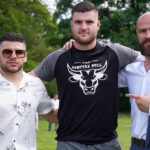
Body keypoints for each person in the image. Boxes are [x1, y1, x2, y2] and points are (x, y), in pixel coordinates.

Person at [30, 2, 139, 150]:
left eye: (89, 22)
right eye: (78, 22)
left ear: (98, 24)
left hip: (108, 143)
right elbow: (26, 82)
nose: (83, 27)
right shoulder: (58, 57)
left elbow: (146, 61)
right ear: (71, 25)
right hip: (68, 143)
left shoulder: (116, 52)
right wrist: (45, 109)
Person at [0, 32, 57, 150]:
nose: (13, 56)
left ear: (25, 56)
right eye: (7, 52)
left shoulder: (36, 85)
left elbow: (51, 115)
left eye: (19, 52)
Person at [118, 12, 150, 150]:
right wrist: (79, 48)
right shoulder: (131, 69)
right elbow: (100, 76)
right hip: (136, 145)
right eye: (142, 31)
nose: (148, 35)